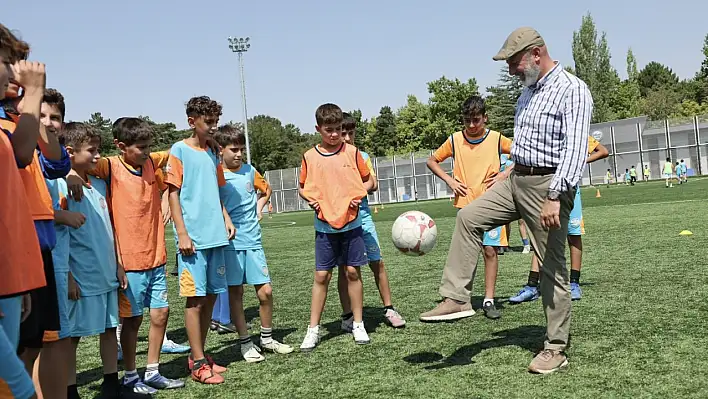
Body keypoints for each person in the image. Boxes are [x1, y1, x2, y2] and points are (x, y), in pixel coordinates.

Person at [420, 27, 593, 374]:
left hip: (548, 186)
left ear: (536, 53)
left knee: (551, 267)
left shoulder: (572, 90)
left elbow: (574, 151)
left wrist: (555, 197)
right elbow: (529, 143)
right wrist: (509, 172)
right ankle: (457, 297)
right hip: (516, 180)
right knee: (468, 218)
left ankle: (555, 347)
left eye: (514, 62)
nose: (512, 70)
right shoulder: (528, 91)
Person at [67, 117, 184, 393]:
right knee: (132, 320)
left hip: (156, 255)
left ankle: (153, 370)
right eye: (140, 147)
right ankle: (130, 375)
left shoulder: (152, 161)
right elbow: (78, 160)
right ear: (121, 146)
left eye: (148, 147)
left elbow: (176, 150)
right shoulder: (110, 166)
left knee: (161, 313)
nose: (146, 152)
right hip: (128, 261)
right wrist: (71, 174)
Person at [165, 96, 235, 384]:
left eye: (215, 123)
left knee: (210, 297)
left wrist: (226, 217)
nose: (213, 128)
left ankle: (200, 355)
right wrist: (181, 233)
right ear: (192, 122)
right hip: (192, 240)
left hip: (215, 236)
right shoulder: (179, 150)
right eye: (208, 123)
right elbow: (172, 193)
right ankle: (197, 364)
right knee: (194, 301)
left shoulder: (213, 152)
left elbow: (216, 192)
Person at [424, 96, 513, 320]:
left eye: (476, 120)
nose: (472, 126)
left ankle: (489, 299)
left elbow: (523, 153)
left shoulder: (496, 139)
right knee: (466, 252)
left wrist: (504, 174)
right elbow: (432, 160)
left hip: (493, 202)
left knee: (490, 250)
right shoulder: (454, 140)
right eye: (467, 121)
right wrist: (450, 181)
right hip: (467, 204)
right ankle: (461, 298)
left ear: (485, 117)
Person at [214, 124, 293, 362]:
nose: (239, 154)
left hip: (253, 240)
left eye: (241, 149)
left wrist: (259, 207)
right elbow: (215, 203)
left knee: (266, 292)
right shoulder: (217, 174)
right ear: (220, 150)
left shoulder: (249, 171)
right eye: (233, 149)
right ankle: (245, 342)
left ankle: (266, 338)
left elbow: (266, 189)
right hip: (231, 243)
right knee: (236, 293)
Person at [58, 122, 126, 399]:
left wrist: (118, 264)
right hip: (81, 278)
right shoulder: (62, 186)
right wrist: (69, 276)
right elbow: (59, 236)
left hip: (105, 273)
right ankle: (68, 389)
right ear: (70, 152)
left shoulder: (97, 184)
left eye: (98, 150)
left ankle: (111, 385)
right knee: (72, 337)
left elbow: (106, 230)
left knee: (110, 329)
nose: (98, 156)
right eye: (92, 151)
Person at [298, 103, 371, 352]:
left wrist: (359, 194)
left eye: (338, 129)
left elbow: (368, 180)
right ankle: (313, 330)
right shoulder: (309, 156)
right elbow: (302, 187)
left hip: (352, 222)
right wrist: (311, 200)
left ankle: (358, 324)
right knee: (322, 276)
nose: (334, 134)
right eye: (328, 129)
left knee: (353, 272)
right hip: (325, 225)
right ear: (318, 129)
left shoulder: (352, 152)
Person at [0, 26, 47, 399]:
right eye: (5, 63)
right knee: (17, 390)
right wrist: (32, 91)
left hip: (9, 283)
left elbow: (22, 152)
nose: (12, 73)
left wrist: (17, 281)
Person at [510, 135, 609, 303]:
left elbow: (603, 151)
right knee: (542, 236)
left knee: (573, 234)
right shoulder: (548, 133)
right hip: (546, 191)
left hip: (570, 190)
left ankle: (574, 283)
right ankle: (533, 286)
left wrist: (580, 161)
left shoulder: (578, 134)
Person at [338, 112, 406, 330]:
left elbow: (373, 184)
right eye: (343, 133)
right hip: (339, 220)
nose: (347, 138)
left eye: (350, 133)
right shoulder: (332, 158)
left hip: (363, 217)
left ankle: (389, 308)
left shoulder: (361, 156)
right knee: (345, 269)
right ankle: (348, 316)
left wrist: (354, 193)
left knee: (377, 262)